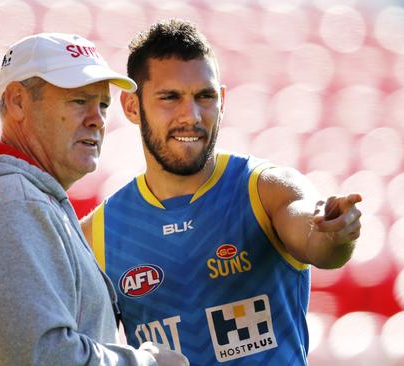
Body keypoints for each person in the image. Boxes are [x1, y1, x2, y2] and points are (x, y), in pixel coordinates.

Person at [80, 20, 363, 365]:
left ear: (222, 100)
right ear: (132, 107)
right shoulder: (97, 235)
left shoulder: (265, 189)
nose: (192, 115)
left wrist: (336, 231)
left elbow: (319, 242)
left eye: (205, 96)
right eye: (170, 97)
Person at [0, 33, 188, 366]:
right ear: (17, 101)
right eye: (78, 101)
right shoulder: (12, 205)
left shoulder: (10, 197)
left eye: (102, 104)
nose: (97, 119)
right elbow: (46, 358)